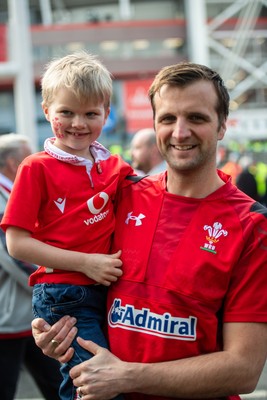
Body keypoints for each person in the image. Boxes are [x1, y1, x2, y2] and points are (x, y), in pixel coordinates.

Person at [33, 62, 267, 400]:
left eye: (197, 118)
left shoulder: (252, 225)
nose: (180, 132)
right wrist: (54, 333)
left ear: (221, 127)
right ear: (155, 124)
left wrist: (127, 377)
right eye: (168, 119)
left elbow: (244, 368)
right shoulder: (119, 196)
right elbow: (74, 288)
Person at [1, 52, 134, 400]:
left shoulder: (115, 167)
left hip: (109, 290)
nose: (78, 123)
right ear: (47, 111)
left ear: (107, 113)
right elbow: (16, 244)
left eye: (91, 113)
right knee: (94, 383)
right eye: (66, 112)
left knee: (113, 378)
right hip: (64, 295)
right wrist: (86, 262)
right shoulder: (35, 167)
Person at [0, 133, 62, 400]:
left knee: (56, 384)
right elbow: (13, 256)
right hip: (9, 318)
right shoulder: (3, 197)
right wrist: (48, 283)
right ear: (15, 163)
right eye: (30, 156)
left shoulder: (12, 193)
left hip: (25, 315)